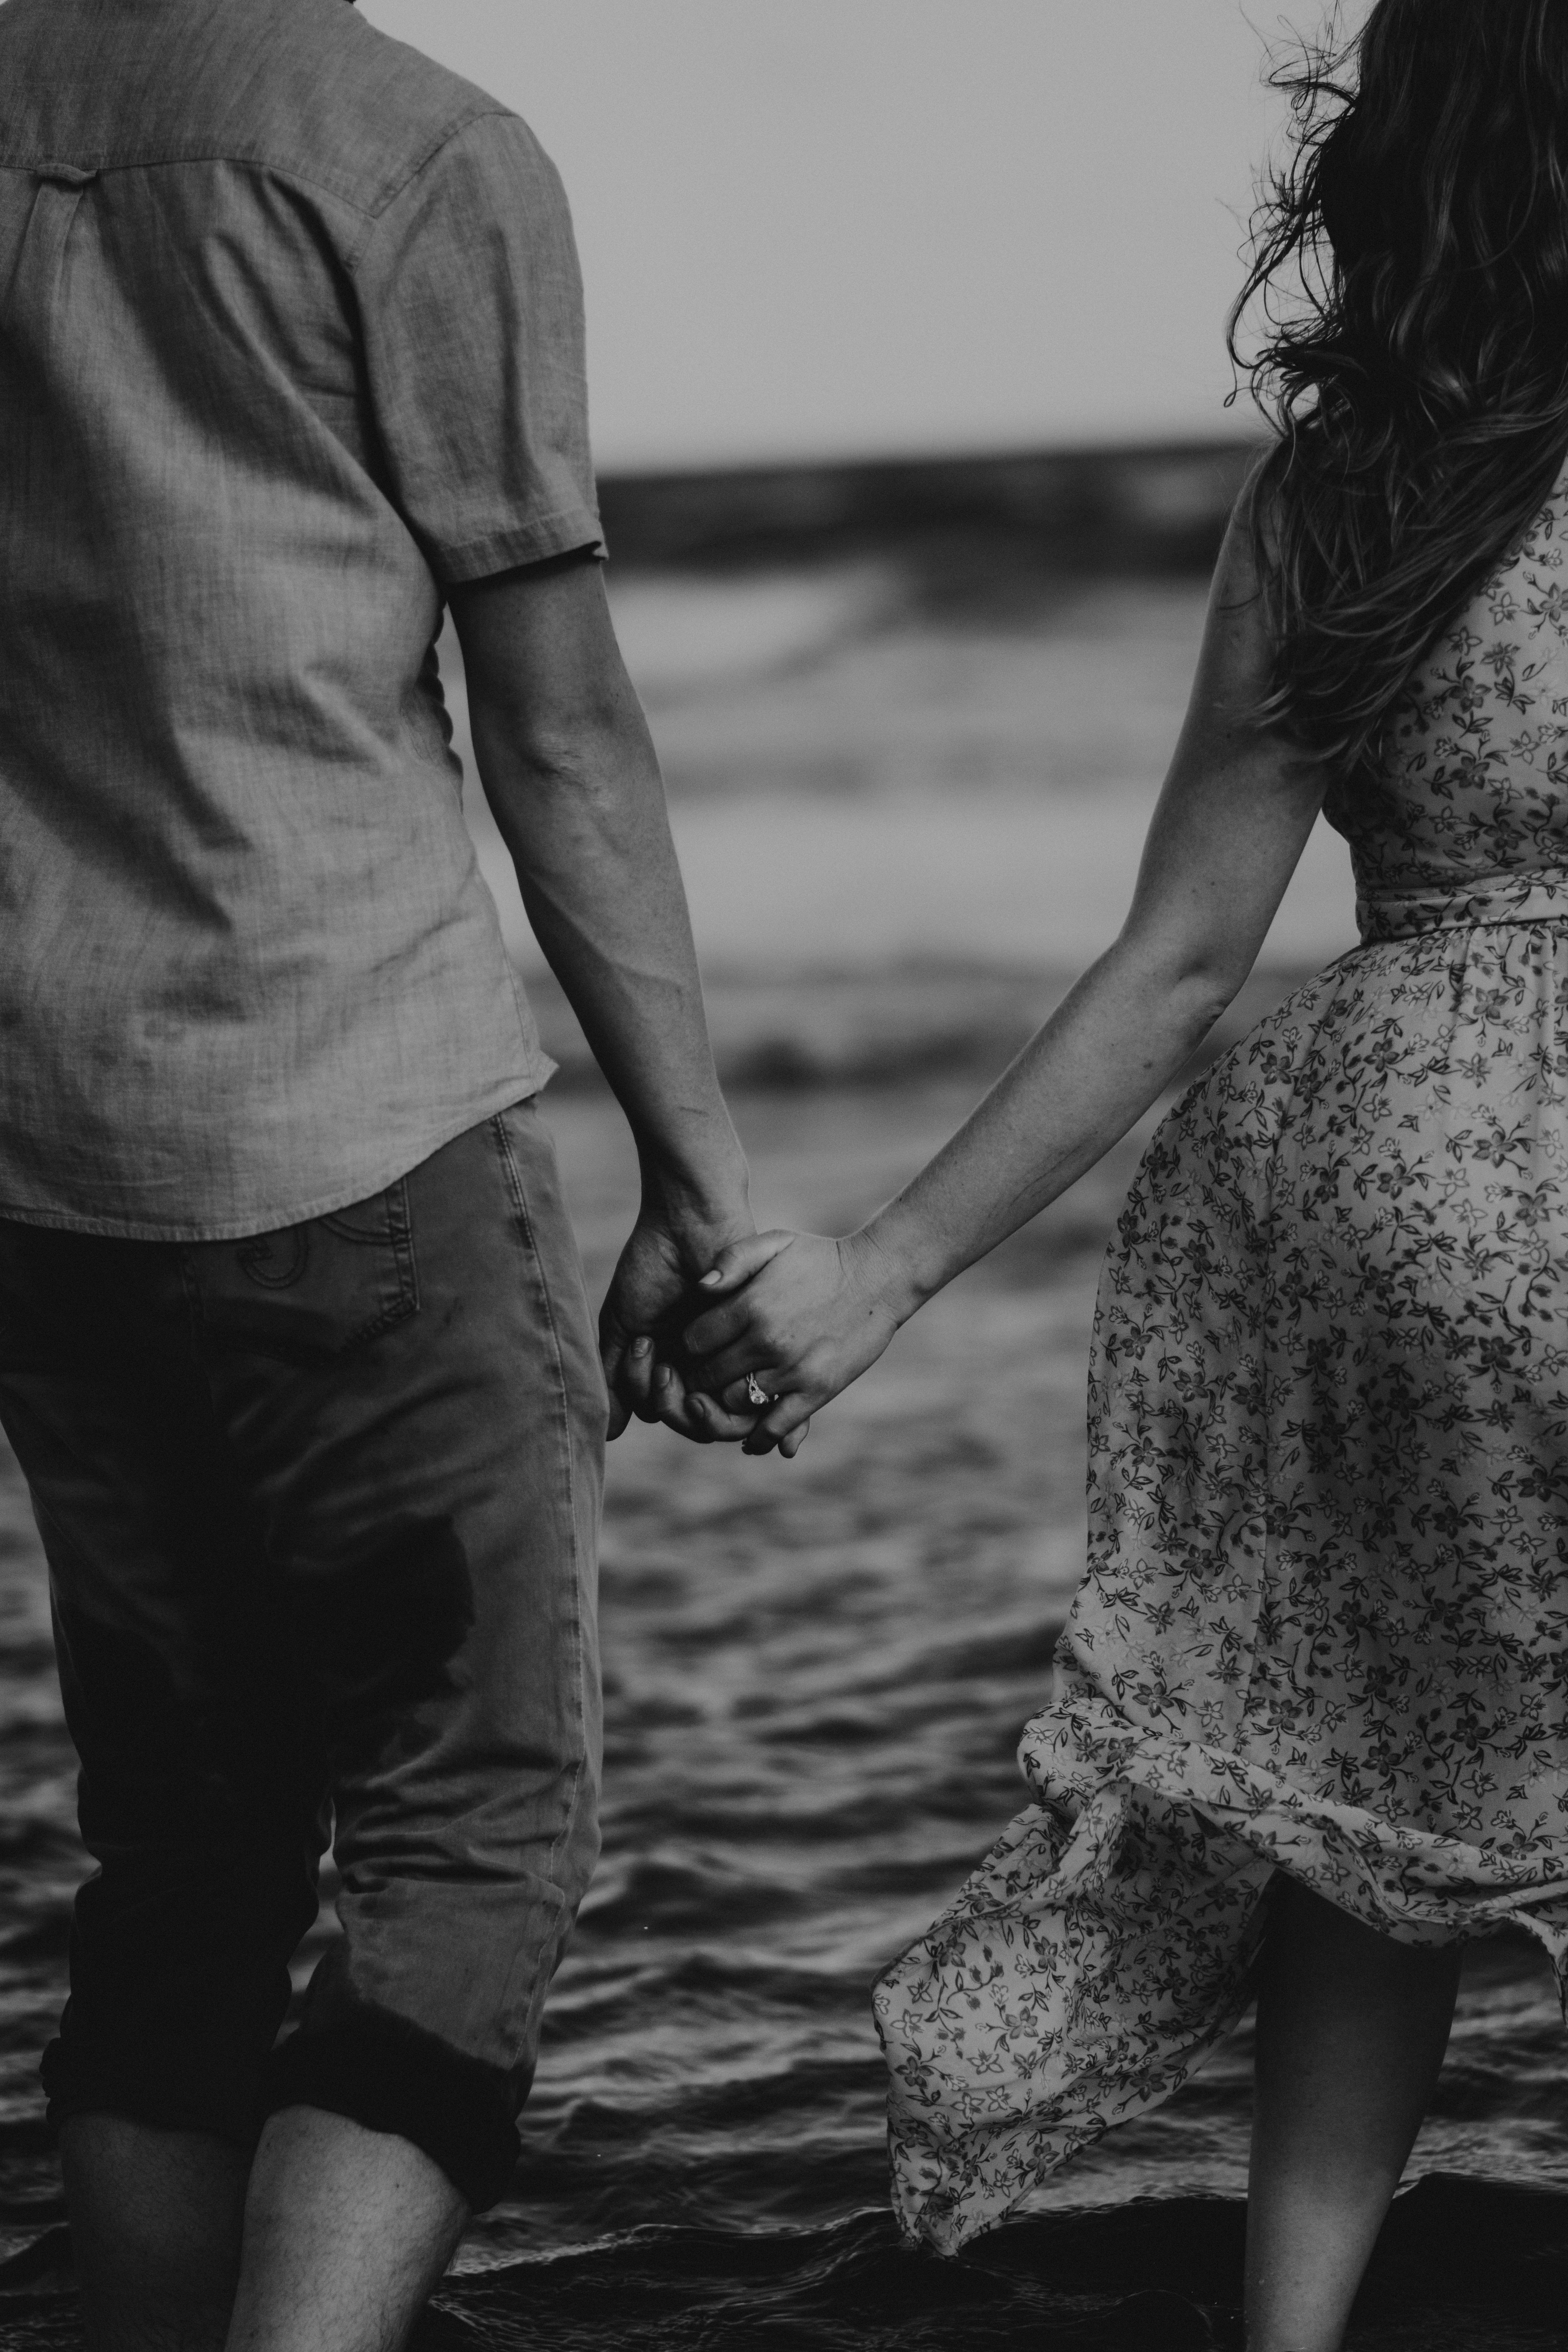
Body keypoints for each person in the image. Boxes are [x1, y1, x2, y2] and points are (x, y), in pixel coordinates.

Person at [672, 4, 1568, 2343]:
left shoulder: (1353, 481)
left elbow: (1176, 966)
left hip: (1382, 1193)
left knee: (1369, 1824)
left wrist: (874, 1275)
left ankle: (1292, 2337)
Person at [0, 0, 751, 2346]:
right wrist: (704, 1187)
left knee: (184, 1864)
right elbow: (556, 723)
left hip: (42, 1146)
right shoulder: (412, 155)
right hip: (351, 1126)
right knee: (469, 1846)